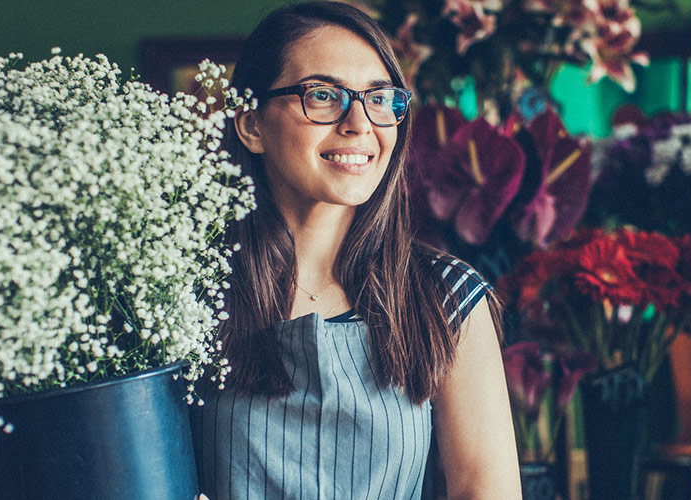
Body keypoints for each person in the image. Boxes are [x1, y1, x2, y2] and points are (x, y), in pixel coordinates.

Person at [191, 2, 520, 499]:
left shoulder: (448, 298)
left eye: (379, 98)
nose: (359, 122)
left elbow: (485, 490)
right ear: (251, 124)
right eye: (322, 95)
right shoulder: (182, 293)